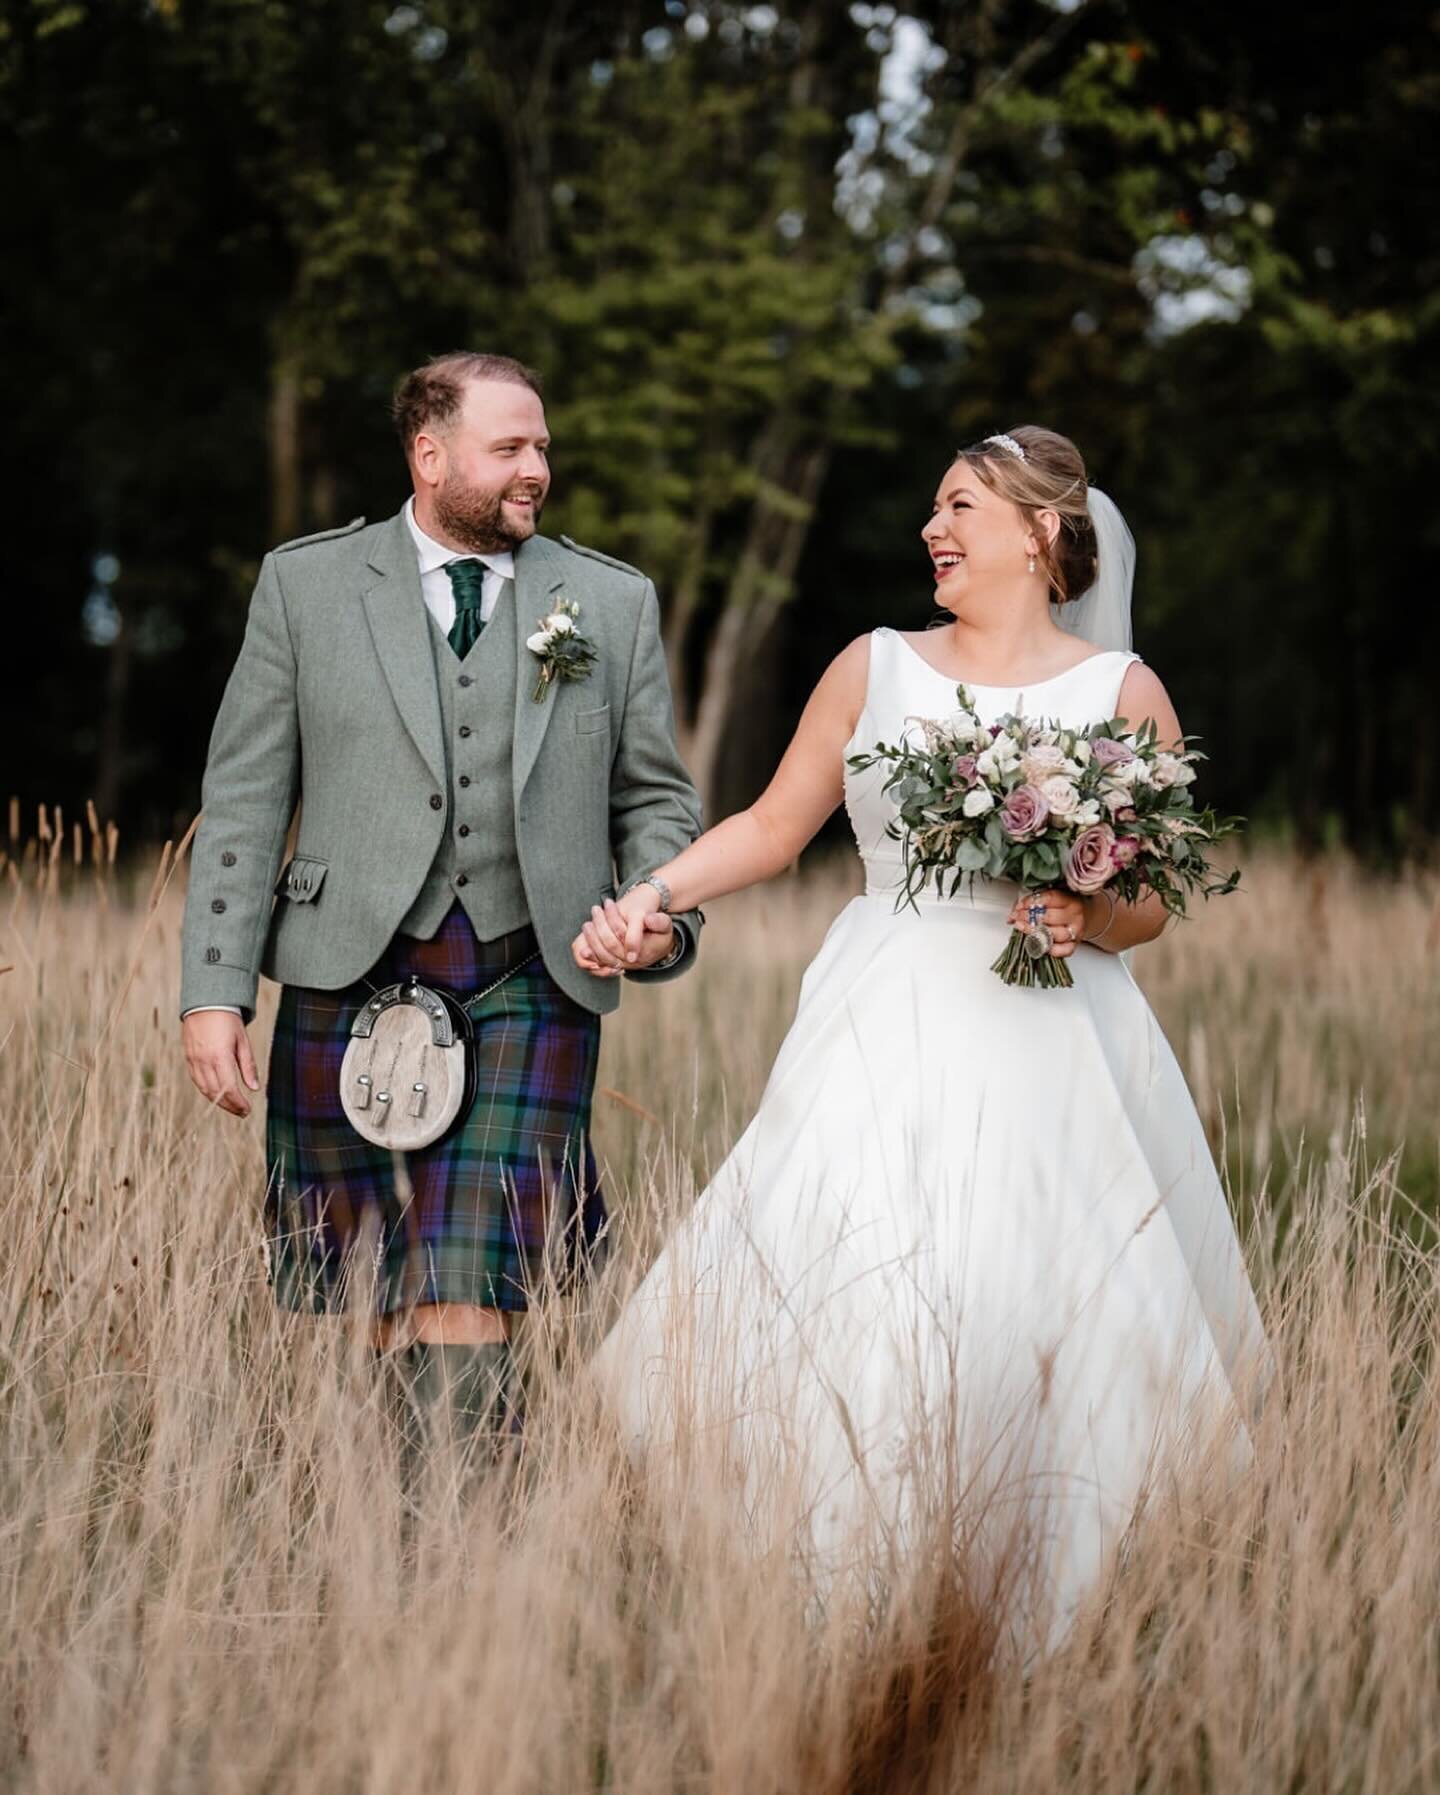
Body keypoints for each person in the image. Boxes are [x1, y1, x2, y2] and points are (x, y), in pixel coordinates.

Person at [578, 426, 1269, 1658]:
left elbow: (1156, 900)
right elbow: (775, 826)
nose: (931, 531)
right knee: (862, 1260)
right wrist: (655, 898)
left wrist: (1088, 913)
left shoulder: (1121, 695)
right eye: (933, 511)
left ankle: (1034, 1584)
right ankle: (827, 1574)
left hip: (1053, 1034)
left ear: (1041, 534)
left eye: (958, 508)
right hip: (885, 1011)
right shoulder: (876, 664)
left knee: (1025, 1279)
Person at [180, 351, 702, 1460]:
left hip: (529, 972)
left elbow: (656, 797)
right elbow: (241, 800)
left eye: (543, 447)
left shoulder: (608, 599)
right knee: (380, 1288)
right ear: (430, 455)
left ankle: (457, 1548)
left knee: (473, 1278)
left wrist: (661, 907)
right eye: (510, 447)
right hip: (344, 971)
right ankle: (406, 1557)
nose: (537, 470)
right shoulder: (307, 587)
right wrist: (213, 992)